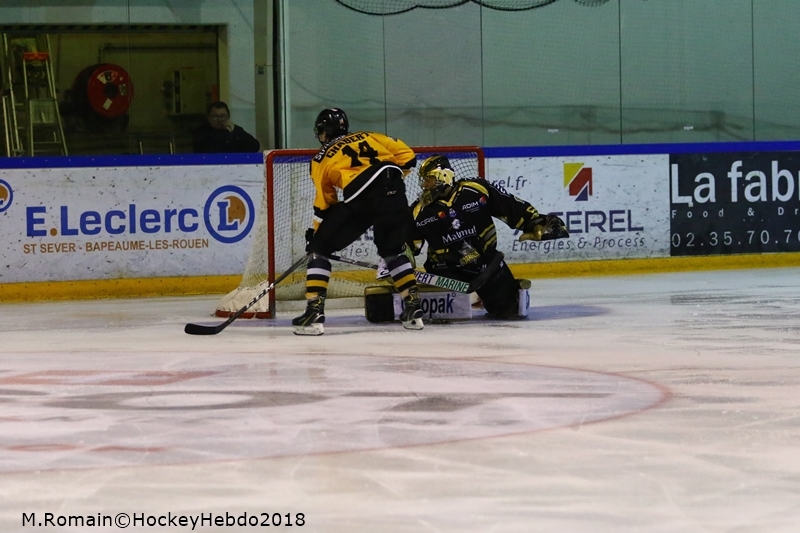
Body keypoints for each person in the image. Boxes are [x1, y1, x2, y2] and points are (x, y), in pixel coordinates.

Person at [292, 107, 423, 336]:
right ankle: (413, 308)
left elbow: (324, 204)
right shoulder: (370, 136)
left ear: (324, 132)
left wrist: (317, 235)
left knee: (319, 249)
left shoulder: (321, 158)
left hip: (362, 197)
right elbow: (408, 156)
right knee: (392, 251)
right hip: (395, 193)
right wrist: (388, 186)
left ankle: (314, 312)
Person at [408, 154, 569, 319]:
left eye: (429, 179)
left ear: (443, 176)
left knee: (510, 310)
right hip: (446, 270)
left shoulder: (477, 189)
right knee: (445, 319)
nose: (424, 185)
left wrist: (536, 223)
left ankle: (487, 297)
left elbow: (512, 207)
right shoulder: (418, 211)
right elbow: (407, 244)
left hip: (486, 264)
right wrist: (400, 260)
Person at [192, 101, 260, 153]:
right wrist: (227, 132)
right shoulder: (201, 132)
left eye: (223, 116)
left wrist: (234, 131)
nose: (219, 120)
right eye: (215, 117)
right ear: (208, 118)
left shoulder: (235, 130)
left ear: (228, 117)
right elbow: (215, 149)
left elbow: (255, 146)